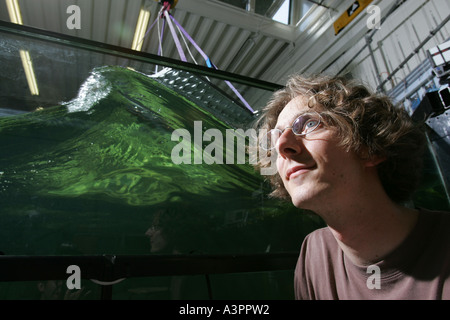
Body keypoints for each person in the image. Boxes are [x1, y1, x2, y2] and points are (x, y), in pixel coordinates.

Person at [255, 74, 450, 299]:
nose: (281, 145)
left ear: (370, 147)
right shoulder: (315, 252)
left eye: (309, 123)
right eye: (275, 137)